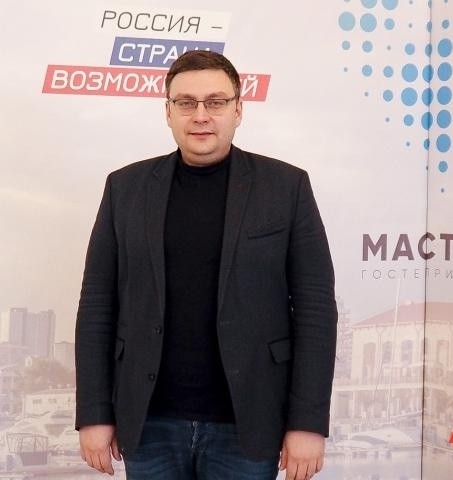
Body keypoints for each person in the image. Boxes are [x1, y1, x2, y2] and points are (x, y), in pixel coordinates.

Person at [75, 50, 337, 480]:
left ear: (238, 109)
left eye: (215, 102)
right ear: (168, 112)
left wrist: (307, 422)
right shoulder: (125, 188)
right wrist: (94, 413)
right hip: (150, 422)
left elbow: (316, 310)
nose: (201, 115)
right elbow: (96, 305)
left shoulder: (286, 187)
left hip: (248, 423)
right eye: (186, 102)